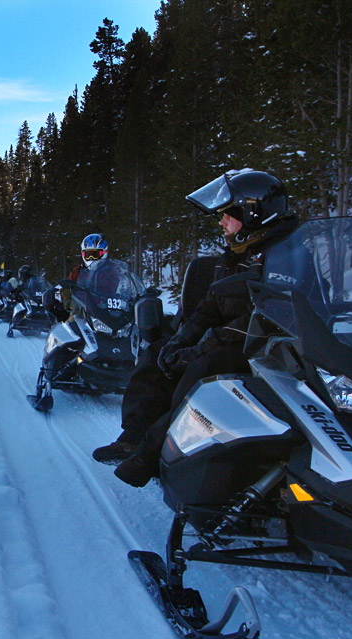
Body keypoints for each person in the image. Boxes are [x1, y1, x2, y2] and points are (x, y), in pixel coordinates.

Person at [91, 170, 299, 488]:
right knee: (158, 352)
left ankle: (153, 453)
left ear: (252, 214)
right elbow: (210, 307)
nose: (222, 222)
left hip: (265, 348)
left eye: (228, 215)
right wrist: (181, 339)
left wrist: (203, 347)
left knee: (202, 368)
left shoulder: (286, 254)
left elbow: (266, 316)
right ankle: (133, 436)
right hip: (228, 341)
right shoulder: (238, 254)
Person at [45, 233, 109, 322]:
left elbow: (121, 290)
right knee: (70, 323)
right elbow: (68, 289)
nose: (91, 258)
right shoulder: (78, 271)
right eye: (88, 254)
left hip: (107, 311)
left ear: (104, 253)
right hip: (83, 312)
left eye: (94, 254)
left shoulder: (112, 271)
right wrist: (65, 294)